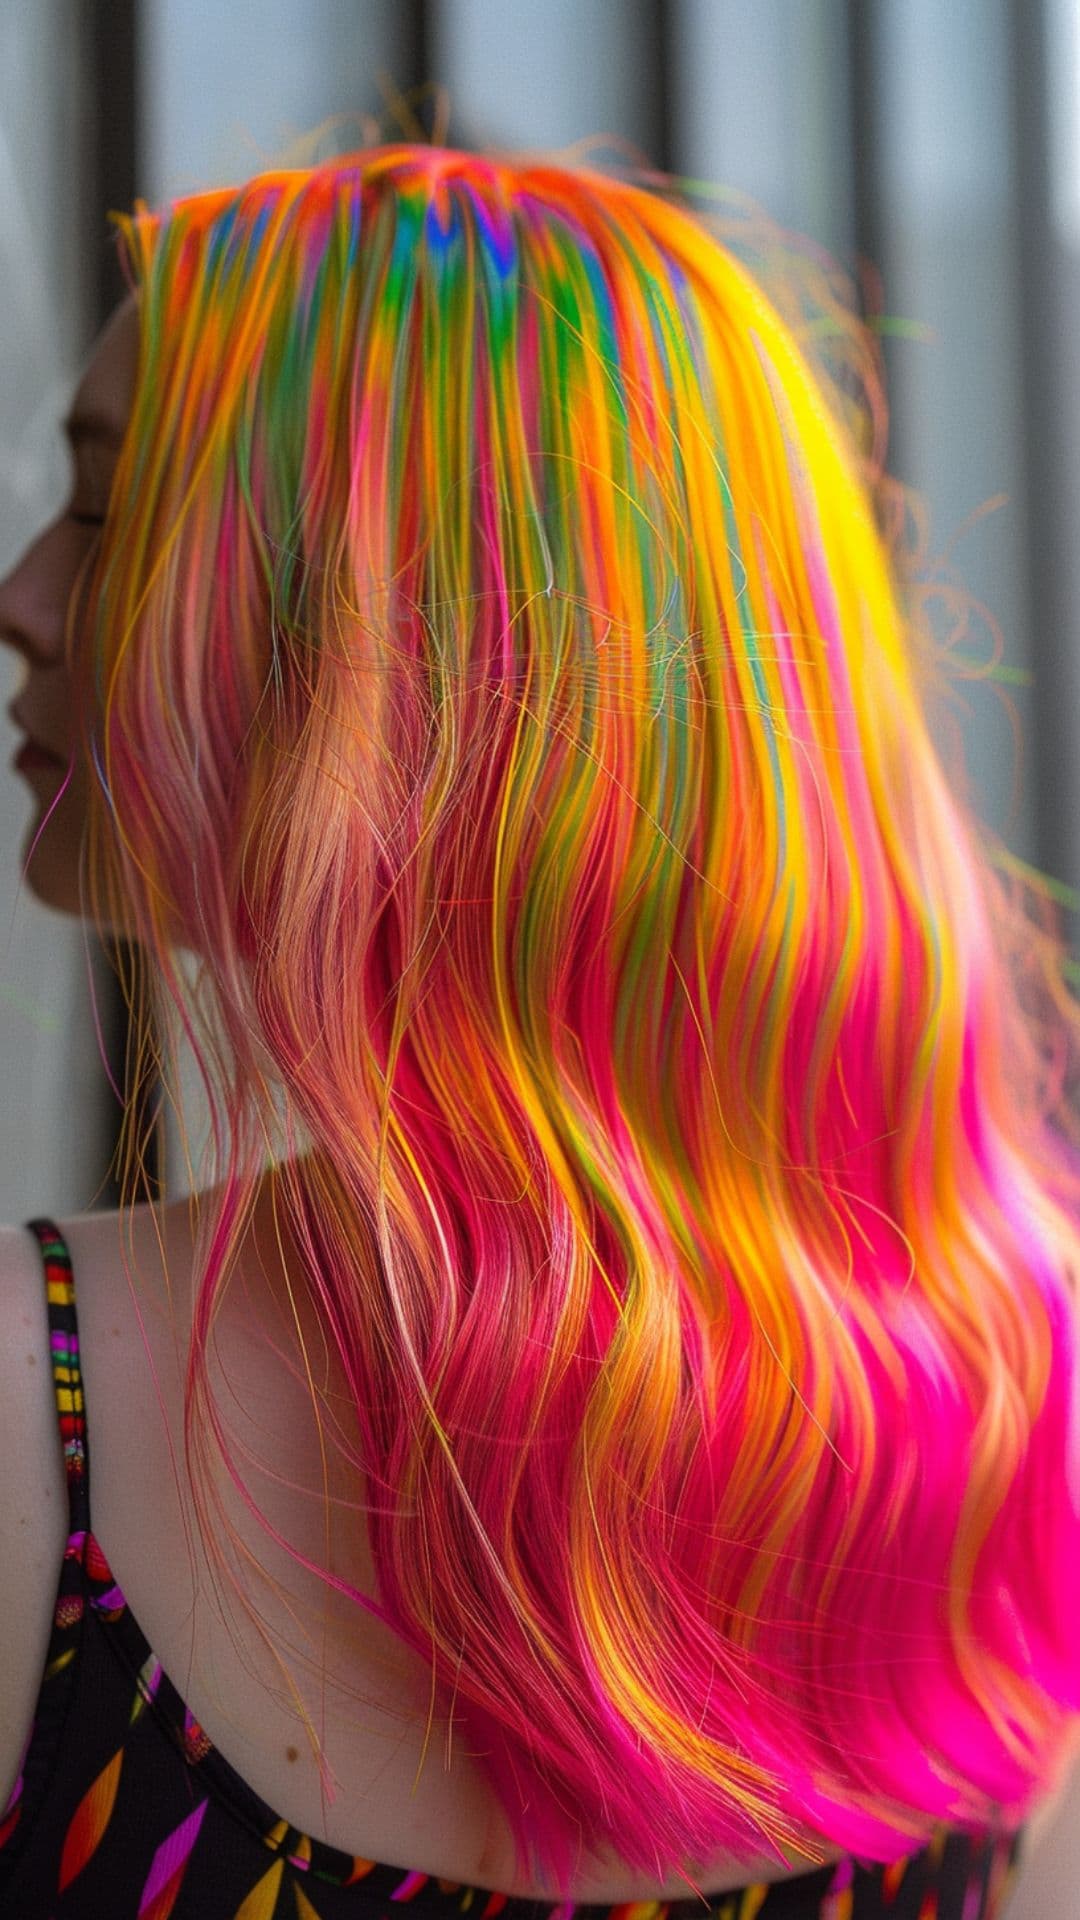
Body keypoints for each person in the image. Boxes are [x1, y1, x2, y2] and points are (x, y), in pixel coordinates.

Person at [0, 139, 1076, 1919]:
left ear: (387, 634)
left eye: (108, 513)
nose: (25, 592)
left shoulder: (42, 1439)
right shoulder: (1002, 1417)